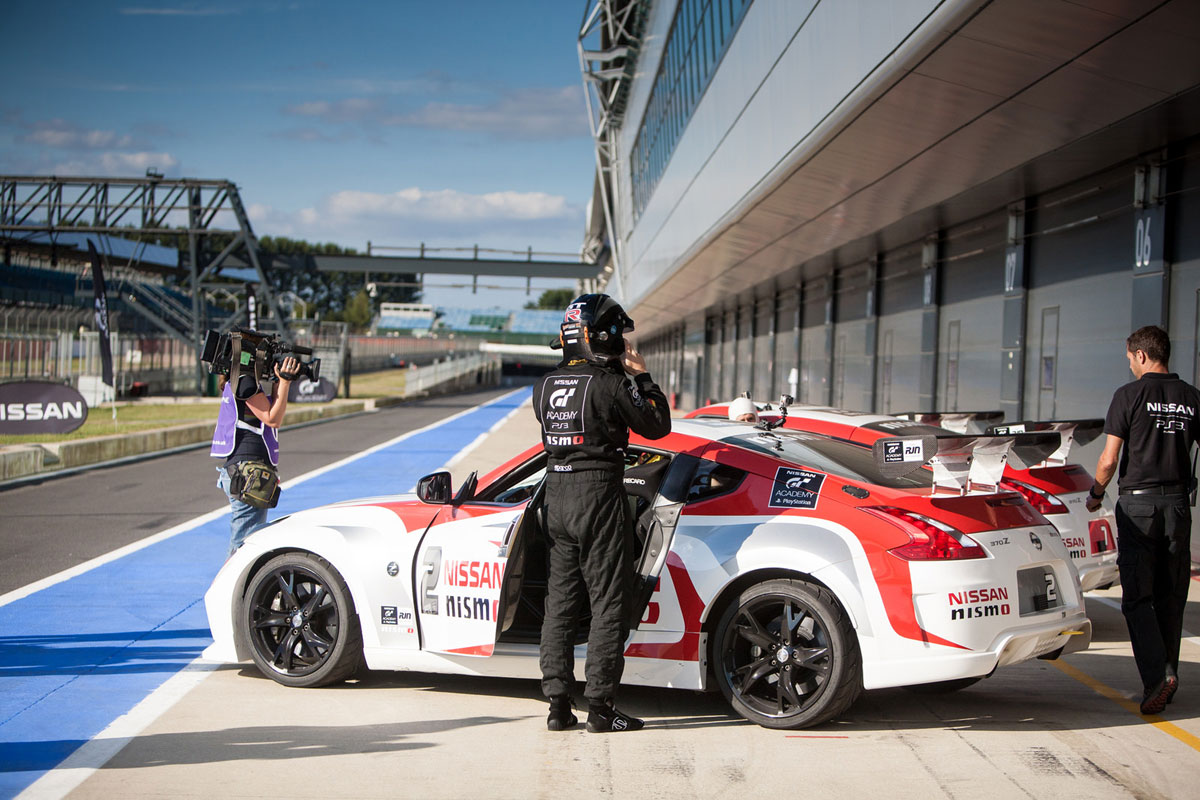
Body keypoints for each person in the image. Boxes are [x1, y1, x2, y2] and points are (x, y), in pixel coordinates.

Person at [534, 293, 672, 733]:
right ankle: (600, 708)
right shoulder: (610, 384)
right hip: (597, 496)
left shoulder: (544, 386)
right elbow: (657, 425)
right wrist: (641, 375)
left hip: (556, 495)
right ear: (603, 337)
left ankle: (558, 706)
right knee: (608, 603)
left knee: (560, 603)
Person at [1086, 325, 1199, 715]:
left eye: (1130, 358)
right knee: (1171, 596)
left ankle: (1157, 679)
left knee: (1137, 598)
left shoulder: (1128, 395)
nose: (1130, 365)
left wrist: (1096, 494)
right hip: (1178, 507)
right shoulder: (1191, 397)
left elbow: (1108, 460)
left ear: (1141, 355)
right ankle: (1168, 676)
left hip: (1138, 508)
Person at [210, 355, 300, 556]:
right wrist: (285, 382)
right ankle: (232, 578)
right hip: (247, 471)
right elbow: (272, 418)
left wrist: (280, 381)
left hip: (247, 468)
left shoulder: (242, 381)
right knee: (244, 546)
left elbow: (273, 407)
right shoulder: (244, 381)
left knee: (248, 541)